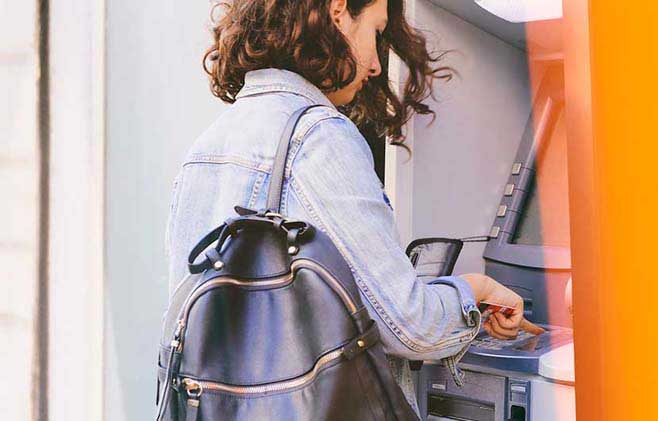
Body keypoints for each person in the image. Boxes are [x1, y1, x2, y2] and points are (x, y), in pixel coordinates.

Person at [165, 0, 526, 413]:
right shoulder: (319, 137)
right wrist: (474, 290)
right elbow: (409, 326)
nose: (375, 65)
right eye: (375, 31)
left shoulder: (206, 146)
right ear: (338, 12)